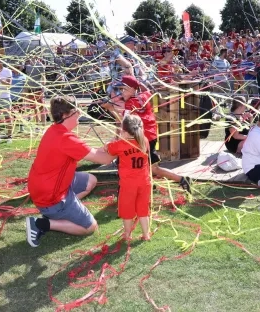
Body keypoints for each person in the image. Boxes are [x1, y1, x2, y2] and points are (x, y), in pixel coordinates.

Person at [25, 96, 115, 247]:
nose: (79, 114)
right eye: (76, 111)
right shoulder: (66, 139)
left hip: (43, 186)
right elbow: (105, 160)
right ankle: (43, 223)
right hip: (51, 197)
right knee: (90, 227)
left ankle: (60, 213)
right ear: (66, 115)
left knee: (91, 180)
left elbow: (94, 152)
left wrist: (110, 147)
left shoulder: (55, 130)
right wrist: (123, 146)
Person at [106, 76, 192, 192]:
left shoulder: (130, 104)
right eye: (120, 90)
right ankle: (150, 183)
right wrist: (137, 83)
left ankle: (182, 180)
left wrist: (111, 109)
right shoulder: (144, 95)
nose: (121, 93)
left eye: (123, 89)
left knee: (148, 167)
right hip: (150, 136)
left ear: (132, 89)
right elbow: (146, 89)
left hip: (142, 139)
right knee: (146, 165)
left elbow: (124, 123)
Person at [106, 114, 152, 241]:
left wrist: (113, 139)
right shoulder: (145, 141)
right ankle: (146, 234)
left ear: (125, 132)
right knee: (143, 210)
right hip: (144, 182)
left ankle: (127, 235)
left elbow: (108, 148)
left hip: (128, 185)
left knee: (127, 211)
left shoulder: (120, 144)